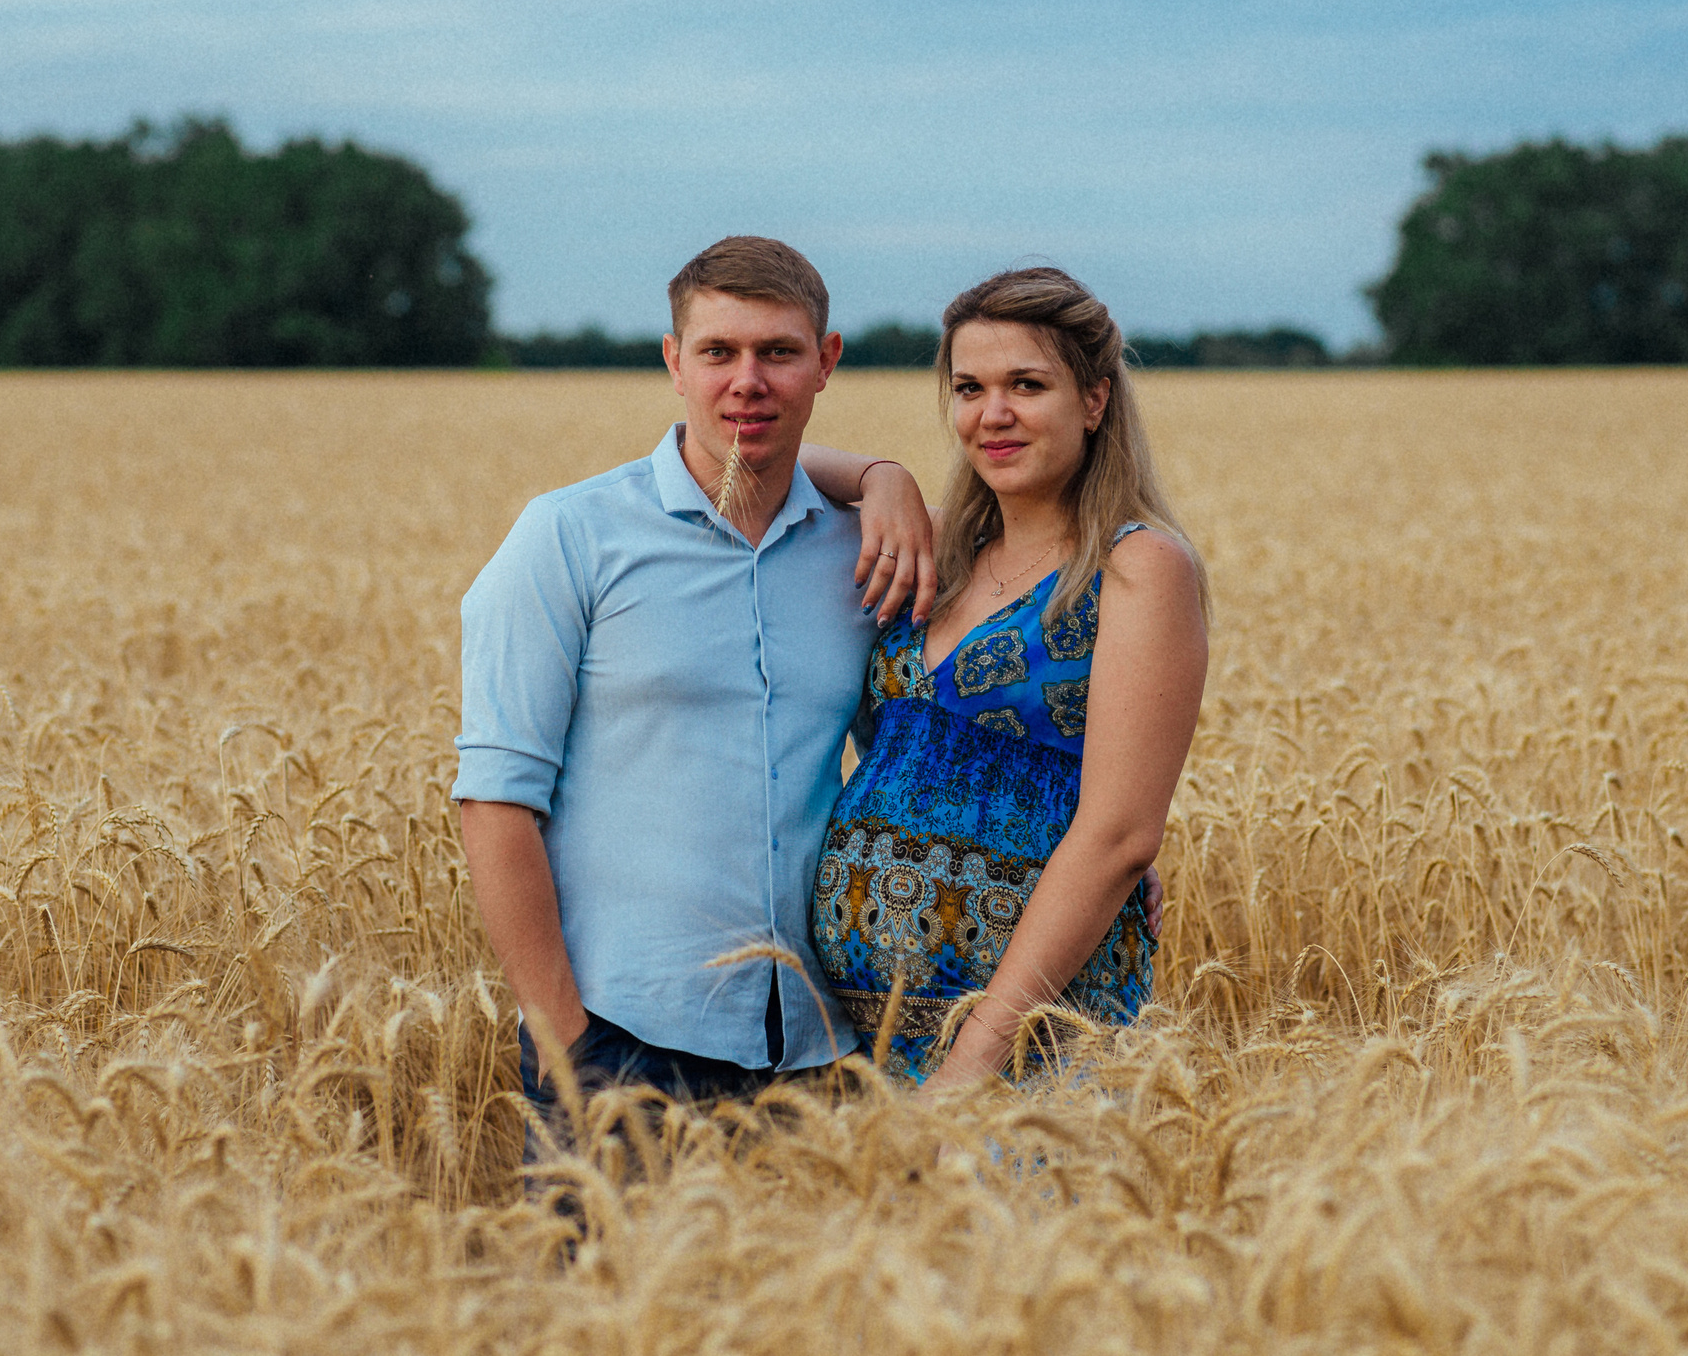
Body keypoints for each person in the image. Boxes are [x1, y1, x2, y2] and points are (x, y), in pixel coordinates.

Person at [453, 237, 936, 1140]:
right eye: (719, 352)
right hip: (620, 1036)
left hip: (817, 1044)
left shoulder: (863, 553)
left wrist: (1104, 844)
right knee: (593, 1284)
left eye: (779, 352)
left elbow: (923, 765)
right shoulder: (569, 536)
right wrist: (565, 1037)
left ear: (825, 363)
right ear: (674, 362)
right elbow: (494, 798)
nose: (747, 380)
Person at [811, 267, 1209, 1086]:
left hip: (1026, 1038)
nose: (992, 413)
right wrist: (879, 474)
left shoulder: (1136, 566)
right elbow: (738, 456)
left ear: (1094, 400)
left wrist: (974, 1061)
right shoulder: (929, 544)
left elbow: (1120, 835)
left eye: (1027, 384)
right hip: (859, 1036)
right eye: (969, 387)